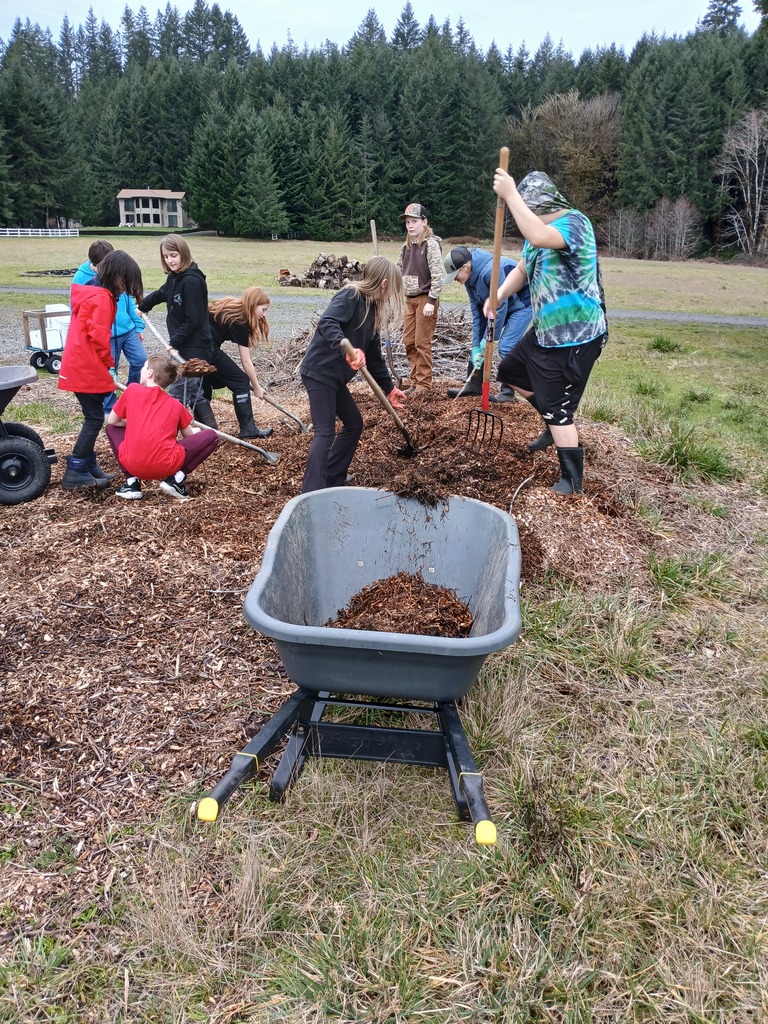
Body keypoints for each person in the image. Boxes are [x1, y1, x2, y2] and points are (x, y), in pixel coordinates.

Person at [488, 169, 608, 494]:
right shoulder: (535, 233)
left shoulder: (575, 223)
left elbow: (540, 236)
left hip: (575, 336)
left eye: (527, 209)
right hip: (544, 332)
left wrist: (511, 194)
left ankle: (572, 480)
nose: (524, 217)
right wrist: (497, 295)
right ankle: (552, 424)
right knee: (510, 371)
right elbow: (525, 268)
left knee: (558, 406)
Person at [299, 255, 407, 493]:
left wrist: (389, 389)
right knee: (325, 432)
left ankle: (332, 477)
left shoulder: (373, 309)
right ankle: (311, 492)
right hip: (319, 372)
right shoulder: (351, 296)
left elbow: (376, 358)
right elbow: (327, 322)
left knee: (354, 424)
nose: (392, 296)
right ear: (384, 283)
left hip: (335, 378)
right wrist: (345, 344)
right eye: (393, 290)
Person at [58, 250, 144, 490]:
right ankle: (76, 470)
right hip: (84, 367)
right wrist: (109, 365)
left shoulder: (91, 291)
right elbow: (99, 337)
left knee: (94, 415)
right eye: (125, 283)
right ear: (116, 277)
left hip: (80, 364)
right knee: (94, 418)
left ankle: (87, 465)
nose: (124, 289)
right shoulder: (101, 299)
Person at [105, 353, 219, 501]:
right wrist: (198, 432)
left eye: (144, 367)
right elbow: (189, 436)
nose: (141, 369)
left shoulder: (132, 390)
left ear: (149, 373)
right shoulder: (176, 405)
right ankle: (176, 480)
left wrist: (134, 423)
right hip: (166, 466)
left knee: (111, 429)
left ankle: (131, 482)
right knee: (212, 436)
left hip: (132, 464)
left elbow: (113, 422)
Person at [138, 234, 217, 427]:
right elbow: (162, 293)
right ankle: (211, 433)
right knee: (194, 392)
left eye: (173, 255)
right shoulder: (175, 278)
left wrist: (175, 342)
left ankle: (163, 434)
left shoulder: (192, 282)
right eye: (166, 257)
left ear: (183, 253)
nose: (170, 260)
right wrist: (143, 305)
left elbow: (195, 320)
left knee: (177, 393)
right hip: (183, 347)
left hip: (195, 349)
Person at [443, 245, 532, 402]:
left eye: (456, 275)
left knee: (505, 347)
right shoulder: (470, 280)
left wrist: (489, 338)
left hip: (522, 305)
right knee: (479, 344)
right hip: (502, 305)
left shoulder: (490, 271)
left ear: (466, 266)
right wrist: (477, 346)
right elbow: (478, 315)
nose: (455, 280)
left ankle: (507, 393)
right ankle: (474, 385)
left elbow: (500, 306)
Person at [72, 239, 148, 413]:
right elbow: (77, 309)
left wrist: (138, 325)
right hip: (104, 336)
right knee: (108, 370)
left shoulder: (119, 279)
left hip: (126, 330)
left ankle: (132, 395)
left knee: (140, 360)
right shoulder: (82, 278)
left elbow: (129, 300)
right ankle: (110, 408)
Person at [205, 287, 274, 439]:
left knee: (205, 385)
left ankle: (205, 432)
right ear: (253, 305)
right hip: (206, 348)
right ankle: (248, 429)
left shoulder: (230, 305)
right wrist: (256, 387)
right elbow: (246, 361)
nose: (264, 315)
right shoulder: (240, 321)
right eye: (263, 309)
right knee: (240, 380)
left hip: (193, 346)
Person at [395, 203, 443, 392]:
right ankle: (414, 381)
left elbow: (438, 275)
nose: (410, 226)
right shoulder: (406, 246)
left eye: (414, 221)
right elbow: (398, 269)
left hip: (425, 299)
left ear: (424, 221)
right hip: (410, 300)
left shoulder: (430, 244)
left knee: (422, 343)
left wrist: (431, 301)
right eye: (407, 222)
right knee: (409, 341)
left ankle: (424, 384)